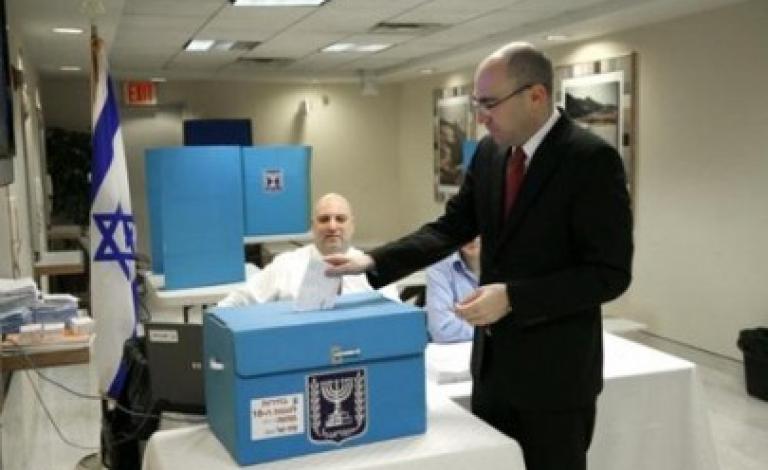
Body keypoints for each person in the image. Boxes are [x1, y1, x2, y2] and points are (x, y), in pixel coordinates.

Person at [325, 42, 633, 470]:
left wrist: (514, 298)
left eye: (489, 104)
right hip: (492, 371)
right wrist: (375, 261)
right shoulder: (490, 153)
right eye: (476, 104)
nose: (481, 117)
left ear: (536, 96)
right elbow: (452, 226)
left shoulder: (590, 160)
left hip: (555, 379)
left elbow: (609, 273)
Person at [218, 193, 398, 307]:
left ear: (352, 225)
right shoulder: (286, 265)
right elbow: (233, 304)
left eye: (340, 219)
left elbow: (395, 317)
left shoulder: (373, 267)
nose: (332, 226)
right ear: (313, 226)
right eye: (324, 219)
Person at [425, 237, 479, 343]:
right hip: (457, 349)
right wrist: (488, 331)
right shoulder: (439, 265)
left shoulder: (508, 260)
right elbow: (442, 329)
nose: (471, 238)